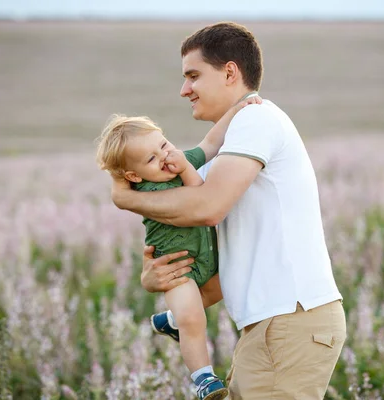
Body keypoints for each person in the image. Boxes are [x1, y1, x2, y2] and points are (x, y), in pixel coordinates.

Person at [111, 22, 346, 399]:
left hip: (289, 319)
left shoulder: (257, 119)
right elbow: (223, 254)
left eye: (193, 76)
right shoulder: (230, 146)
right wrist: (158, 279)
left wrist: (126, 199)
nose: (184, 90)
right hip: (276, 323)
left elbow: (207, 209)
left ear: (230, 72)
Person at [96, 96, 260, 400]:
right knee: (194, 319)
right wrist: (119, 181)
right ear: (133, 176)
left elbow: (211, 142)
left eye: (164, 145)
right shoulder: (142, 189)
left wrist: (236, 109)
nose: (164, 156)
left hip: (209, 262)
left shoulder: (178, 160)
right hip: (176, 270)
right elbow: (195, 193)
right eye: (151, 159)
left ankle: (171, 322)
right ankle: (204, 380)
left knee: (229, 286)